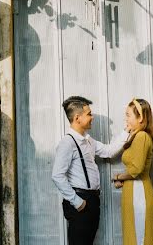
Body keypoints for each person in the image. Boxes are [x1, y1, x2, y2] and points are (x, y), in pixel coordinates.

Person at [51, 95, 126, 245]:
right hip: (80, 202)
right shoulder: (68, 143)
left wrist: (127, 132)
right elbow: (57, 175)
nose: (92, 117)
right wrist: (77, 201)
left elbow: (108, 151)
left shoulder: (88, 140)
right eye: (89, 114)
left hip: (92, 201)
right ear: (78, 117)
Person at [112, 98, 153, 245]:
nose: (125, 118)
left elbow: (137, 169)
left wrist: (119, 176)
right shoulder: (136, 136)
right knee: (134, 237)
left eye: (128, 115)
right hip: (134, 193)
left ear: (140, 118)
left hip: (139, 196)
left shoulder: (142, 136)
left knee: (140, 239)